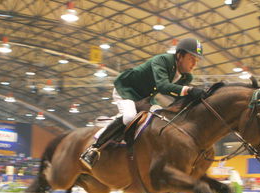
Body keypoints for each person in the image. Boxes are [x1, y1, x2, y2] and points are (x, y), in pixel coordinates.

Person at [80, 38, 207, 170]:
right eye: (191, 59)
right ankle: (93, 150)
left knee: (160, 117)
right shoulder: (163, 60)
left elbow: (176, 98)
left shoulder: (187, 77)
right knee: (129, 116)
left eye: (196, 61)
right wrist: (189, 90)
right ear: (180, 55)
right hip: (127, 89)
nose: (194, 64)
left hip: (145, 98)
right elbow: (163, 86)